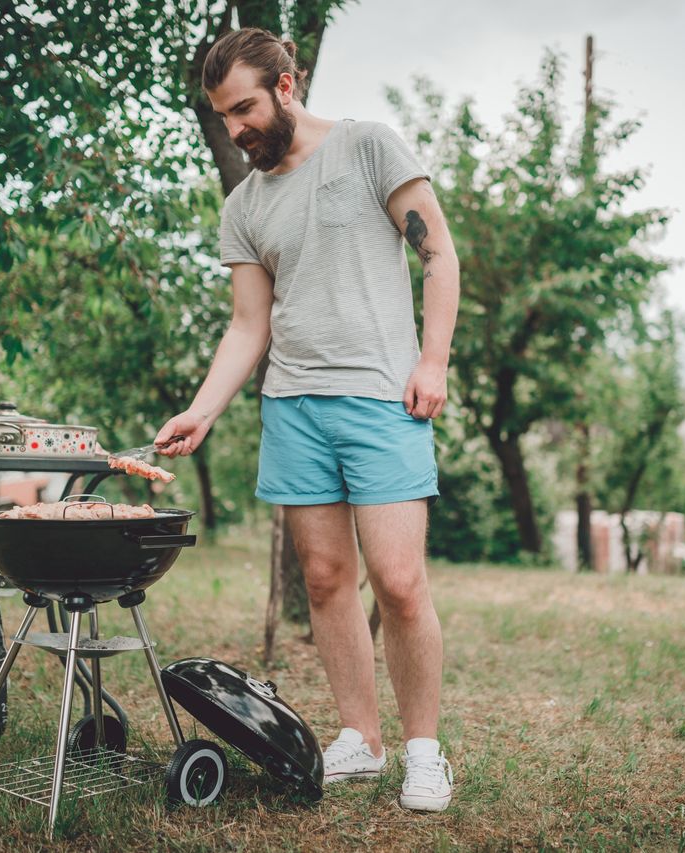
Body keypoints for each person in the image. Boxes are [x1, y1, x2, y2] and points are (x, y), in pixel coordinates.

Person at [153, 28, 460, 812]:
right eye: (224, 117)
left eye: (246, 108)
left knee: (397, 580)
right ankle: (361, 734)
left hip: (383, 399)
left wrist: (433, 361)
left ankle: (424, 750)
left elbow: (439, 254)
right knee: (326, 581)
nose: (237, 129)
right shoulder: (243, 207)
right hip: (293, 406)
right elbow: (248, 326)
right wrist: (203, 409)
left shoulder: (367, 147)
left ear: (287, 86)